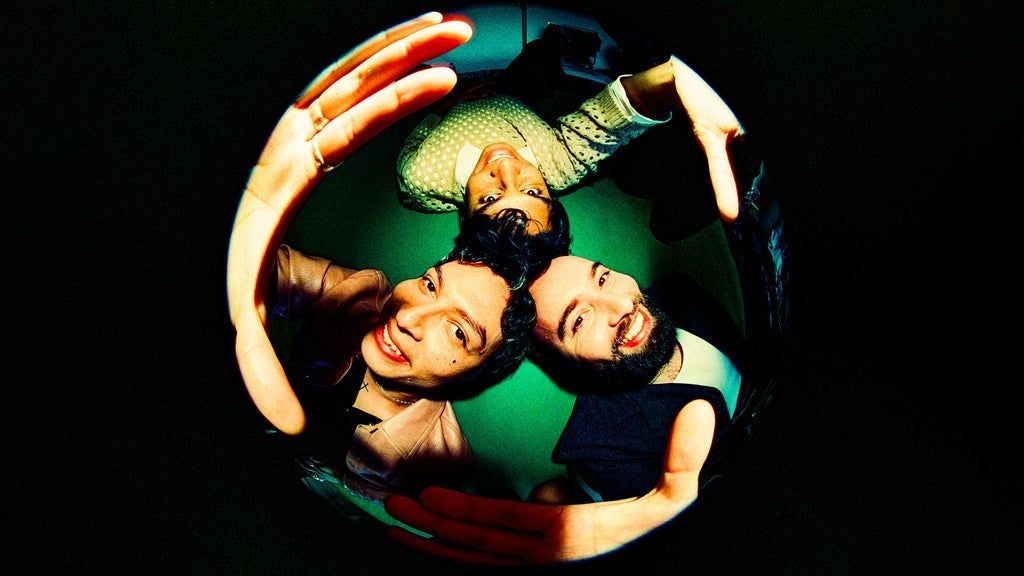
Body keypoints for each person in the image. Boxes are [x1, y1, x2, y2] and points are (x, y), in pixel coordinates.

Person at [383, 42, 756, 565]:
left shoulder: (677, 297)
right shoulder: (608, 456)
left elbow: (605, 120)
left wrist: (676, 76)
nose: (619, 307)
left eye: (603, 278)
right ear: (567, 367)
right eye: (579, 321)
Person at [225, 12, 538, 502]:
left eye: (459, 332)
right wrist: (239, 255)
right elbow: (270, 271)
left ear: (473, 378)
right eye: (430, 284)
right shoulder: (360, 295)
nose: (409, 317)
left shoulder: (439, 461)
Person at [396, 32, 744, 248]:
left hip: (494, 95)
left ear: (466, 211)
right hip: (518, 102)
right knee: (543, 63)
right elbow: (613, 116)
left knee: (540, 53)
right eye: (534, 192)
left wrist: (443, 107)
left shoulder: (419, 178)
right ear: (550, 191)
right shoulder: (558, 166)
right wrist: (673, 77)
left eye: (490, 198)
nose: (507, 169)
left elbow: (414, 141)